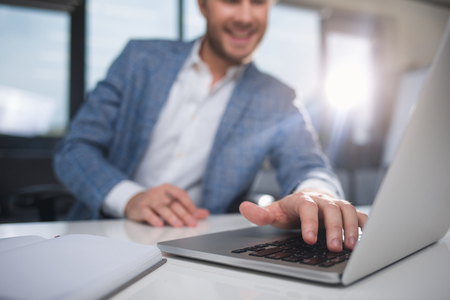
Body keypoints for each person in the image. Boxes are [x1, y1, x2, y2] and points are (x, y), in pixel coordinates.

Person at [54, 0, 367, 252]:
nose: (245, 16)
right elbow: (75, 150)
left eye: (257, 2)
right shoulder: (139, 58)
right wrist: (131, 198)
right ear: (203, 5)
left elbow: (308, 164)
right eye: (231, 1)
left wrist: (315, 193)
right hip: (102, 232)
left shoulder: (277, 98)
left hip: (193, 249)